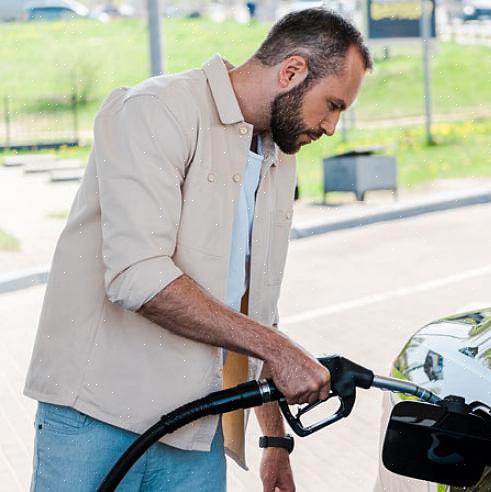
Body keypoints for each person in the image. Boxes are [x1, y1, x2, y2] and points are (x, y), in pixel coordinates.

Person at [24, 9, 371, 491]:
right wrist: (280, 350)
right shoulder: (155, 110)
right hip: (96, 420)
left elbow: (255, 308)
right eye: (332, 105)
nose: (331, 126)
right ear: (291, 71)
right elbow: (137, 276)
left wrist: (274, 441)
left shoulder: (278, 155)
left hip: (196, 432)